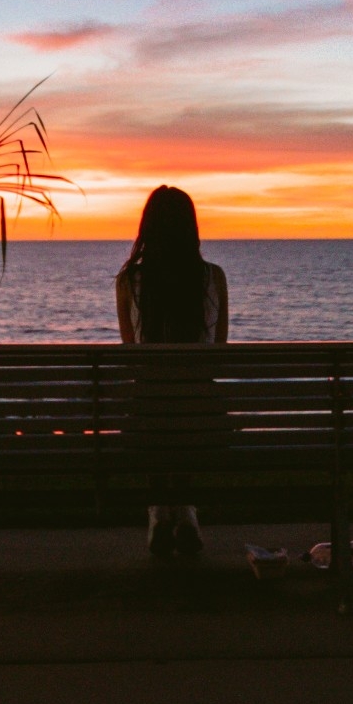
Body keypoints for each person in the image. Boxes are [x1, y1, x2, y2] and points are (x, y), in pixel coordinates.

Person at [116, 185, 229, 558]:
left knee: (152, 398)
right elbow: (219, 352)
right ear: (191, 227)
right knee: (185, 401)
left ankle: (159, 512)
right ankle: (185, 513)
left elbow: (132, 353)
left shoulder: (128, 281)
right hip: (200, 413)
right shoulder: (213, 278)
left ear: (146, 229)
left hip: (149, 411)